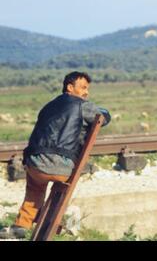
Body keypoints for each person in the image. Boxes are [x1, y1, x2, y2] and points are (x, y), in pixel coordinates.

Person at [0, 71, 111, 239]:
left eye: (87, 88)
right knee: (49, 180)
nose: (86, 92)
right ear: (70, 87)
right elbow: (103, 118)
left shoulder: (48, 106)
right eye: (83, 88)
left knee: (34, 188)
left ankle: (21, 225)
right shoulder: (82, 105)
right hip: (62, 169)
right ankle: (49, 223)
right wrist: (104, 111)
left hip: (35, 165)